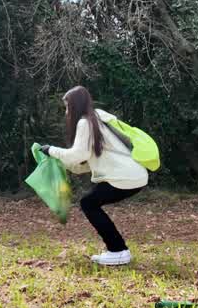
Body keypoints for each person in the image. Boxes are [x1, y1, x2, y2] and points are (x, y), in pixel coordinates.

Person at [41, 86, 147, 266]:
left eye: (67, 107)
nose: (66, 112)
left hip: (124, 177)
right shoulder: (96, 119)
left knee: (88, 203)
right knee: (90, 203)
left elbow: (78, 155)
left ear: (75, 106)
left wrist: (51, 150)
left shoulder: (85, 123)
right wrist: (59, 162)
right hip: (134, 175)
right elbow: (84, 164)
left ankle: (118, 251)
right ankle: (118, 250)